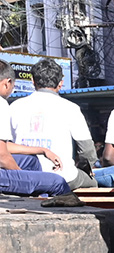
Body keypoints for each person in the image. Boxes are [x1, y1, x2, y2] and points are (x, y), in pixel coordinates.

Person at [9, 58, 97, 190]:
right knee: (93, 182)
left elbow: (5, 145)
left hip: (25, 175)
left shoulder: (15, 106)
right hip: (63, 176)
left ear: (33, 81)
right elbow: (87, 151)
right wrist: (85, 168)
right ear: (60, 83)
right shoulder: (70, 108)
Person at [0, 60, 71, 197]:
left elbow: (4, 146)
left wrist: (42, 150)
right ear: (7, 83)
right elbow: (2, 156)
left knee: (32, 160)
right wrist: (21, 176)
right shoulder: (1, 104)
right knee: (57, 182)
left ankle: (38, 194)